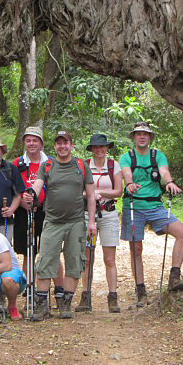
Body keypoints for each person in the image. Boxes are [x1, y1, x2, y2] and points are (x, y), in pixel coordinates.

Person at [23, 130, 96, 321]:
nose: (62, 146)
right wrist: (31, 192)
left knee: (74, 262)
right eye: (58, 143)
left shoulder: (81, 166)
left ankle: (65, 304)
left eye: (66, 143)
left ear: (71, 145)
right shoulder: (47, 166)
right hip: (52, 221)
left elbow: (90, 194)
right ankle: (42, 306)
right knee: (45, 261)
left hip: (76, 222)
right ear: (54, 146)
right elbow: (38, 185)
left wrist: (91, 222)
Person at [120, 122, 183, 306]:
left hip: (155, 206)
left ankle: (175, 276)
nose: (142, 137)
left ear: (150, 137)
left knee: (182, 232)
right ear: (133, 137)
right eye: (138, 134)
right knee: (136, 249)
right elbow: (127, 174)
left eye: (145, 134)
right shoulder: (126, 157)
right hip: (133, 206)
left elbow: (164, 172)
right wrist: (129, 184)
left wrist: (169, 182)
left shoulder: (157, 155)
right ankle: (140, 290)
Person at [11, 127, 65, 303]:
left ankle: (59, 289)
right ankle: (29, 288)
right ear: (24, 143)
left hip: (48, 212)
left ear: (41, 143)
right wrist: (21, 203)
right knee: (29, 251)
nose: (31, 144)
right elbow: (11, 188)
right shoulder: (16, 164)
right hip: (23, 212)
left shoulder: (51, 162)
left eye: (35, 140)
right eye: (28, 140)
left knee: (52, 252)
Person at [75, 134, 123, 313]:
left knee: (109, 259)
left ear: (107, 148)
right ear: (92, 149)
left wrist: (99, 192)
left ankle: (113, 297)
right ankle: (85, 297)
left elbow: (118, 191)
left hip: (109, 215)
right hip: (88, 215)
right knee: (87, 259)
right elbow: (78, 191)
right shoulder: (84, 165)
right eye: (96, 147)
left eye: (102, 147)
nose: (99, 150)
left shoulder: (113, 166)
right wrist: (89, 195)